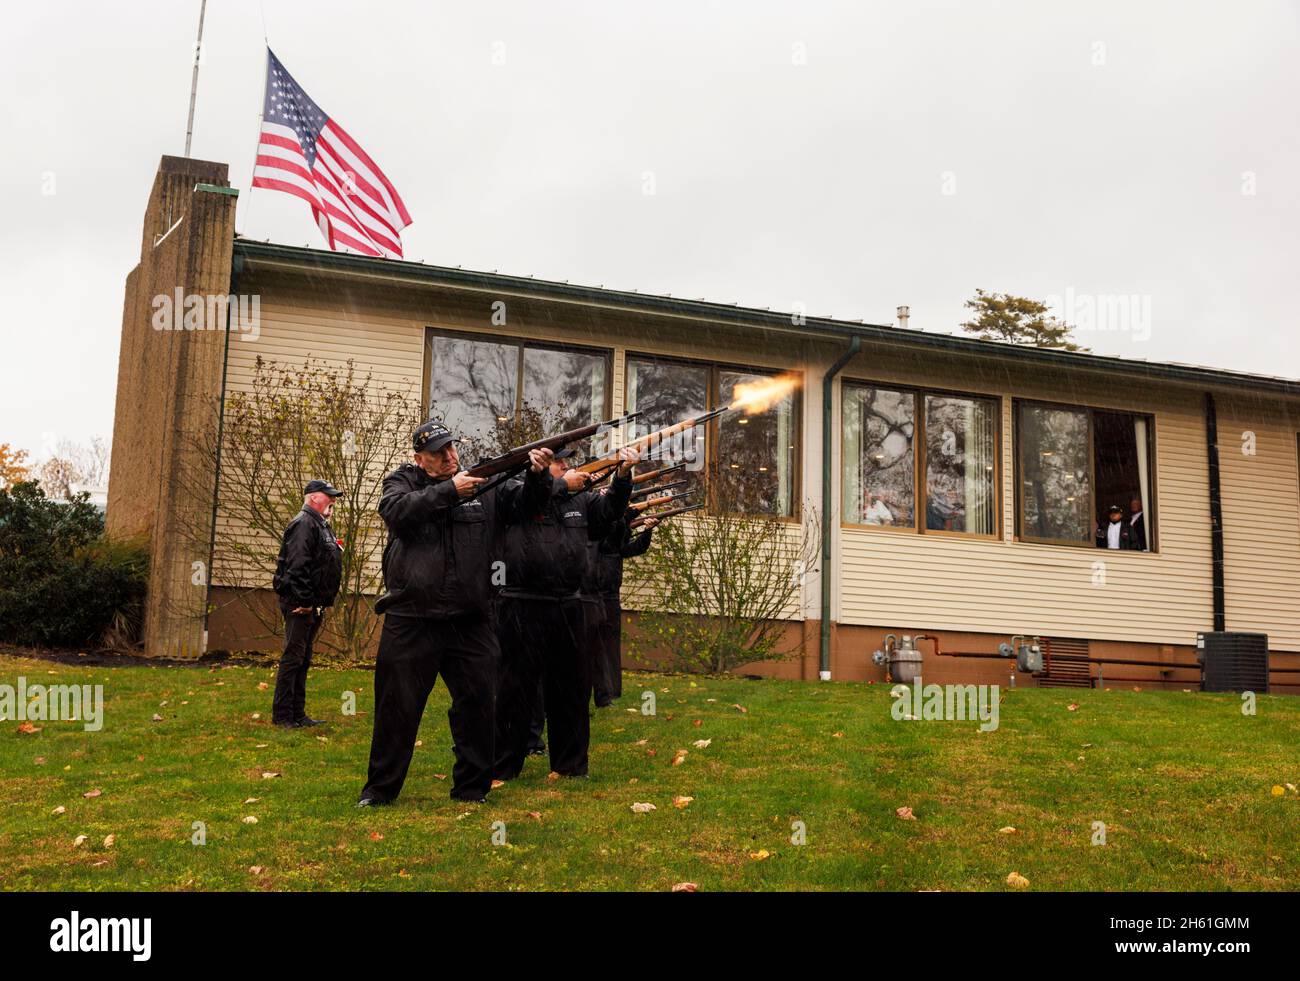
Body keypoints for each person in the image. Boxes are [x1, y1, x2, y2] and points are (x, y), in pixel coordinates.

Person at [357, 420, 553, 807]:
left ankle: (471, 788)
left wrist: (537, 475)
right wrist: (449, 491)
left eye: (452, 449)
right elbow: (396, 512)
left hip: (471, 619)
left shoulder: (483, 485)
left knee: (479, 704)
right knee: (398, 708)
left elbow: (527, 507)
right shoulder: (403, 482)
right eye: (438, 453)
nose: (449, 457)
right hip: (412, 617)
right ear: (419, 458)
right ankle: (379, 791)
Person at [494, 445, 639, 782]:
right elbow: (530, 500)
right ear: (542, 465)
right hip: (522, 602)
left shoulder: (581, 500)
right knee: (515, 689)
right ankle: (503, 763)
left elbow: (608, 517)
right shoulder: (515, 490)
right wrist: (555, 484)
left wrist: (622, 478)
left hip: (569, 603)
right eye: (559, 461)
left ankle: (570, 765)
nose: (567, 465)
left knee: (571, 688)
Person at [270, 480, 344, 728]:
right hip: (298, 603)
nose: (333, 501)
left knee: (303, 658)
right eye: (328, 496)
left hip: (312, 603)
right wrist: (304, 601)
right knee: (293, 658)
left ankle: (298, 714)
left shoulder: (321, 525)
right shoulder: (303, 524)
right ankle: (282, 716)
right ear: (313, 498)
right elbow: (297, 566)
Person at [589, 508, 658, 706]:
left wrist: (647, 531)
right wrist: (624, 517)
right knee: (586, 647)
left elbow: (630, 549)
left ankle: (607, 694)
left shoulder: (618, 526)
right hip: (590, 593)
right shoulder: (596, 522)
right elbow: (602, 540)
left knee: (609, 647)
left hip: (610, 594)